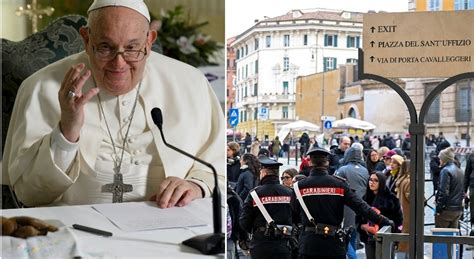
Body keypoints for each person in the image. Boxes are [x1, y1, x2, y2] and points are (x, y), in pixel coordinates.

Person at [2, 0, 224, 207]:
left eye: (131, 48)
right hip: (76, 228)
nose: (119, 64)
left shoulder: (190, 83)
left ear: (150, 41)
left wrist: (197, 185)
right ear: (86, 40)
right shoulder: (41, 86)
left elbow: (219, 165)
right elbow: (29, 194)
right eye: (105, 47)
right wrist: (66, 132)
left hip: (170, 228)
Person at [291, 147, 394, 259]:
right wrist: (384, 221)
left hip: (308, 245)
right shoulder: (339, 184)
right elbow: (361, 207)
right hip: (333, 244)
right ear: (327, 162)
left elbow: (294, 212)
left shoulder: (298, 187)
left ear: (310, 162)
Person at [240, 156, 293, 259]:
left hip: (260, 245)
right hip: (284, 244)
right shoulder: (289, 193)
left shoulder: (254, 194)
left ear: (263, 173)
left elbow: (244, 222)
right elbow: (296, 216)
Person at [335, 146, 369, 259]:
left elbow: (335, 187)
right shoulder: (365, 170)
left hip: (346, 209)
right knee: (354, 236)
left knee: (345, 238)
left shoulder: (342, 170)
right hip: (361, 208)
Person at [360, 172, 403, 259]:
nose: (372, 182)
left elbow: (399, 220)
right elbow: (358, 218)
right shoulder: (365, 198)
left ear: (381, 182)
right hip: (369, 238)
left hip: (386, 239)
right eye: (370, 180)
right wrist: (362, 226)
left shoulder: (391, 199)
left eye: (376, 180)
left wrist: (395, 238)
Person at [435, 147, 464, 228]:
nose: (439, 161)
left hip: (446, 211)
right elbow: (462, 191)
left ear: (444, 159)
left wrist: (438, 208)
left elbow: (443, 191)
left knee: (441, 237)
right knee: (452, 238)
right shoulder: (460, 171)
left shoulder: (445, 170)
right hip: (457, 210)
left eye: (440, 158)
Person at [394, 160, 411, 259]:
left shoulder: (401, 180)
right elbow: (413, 199)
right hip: (408, 214)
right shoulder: (409, 182)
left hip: (402, 213)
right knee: (406, 241)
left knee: (403, 240)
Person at [463, 152, 474, 233]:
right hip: (473, 186)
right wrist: (464, 191)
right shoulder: (471, 156)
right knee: (473, 210)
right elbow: (467, 174)